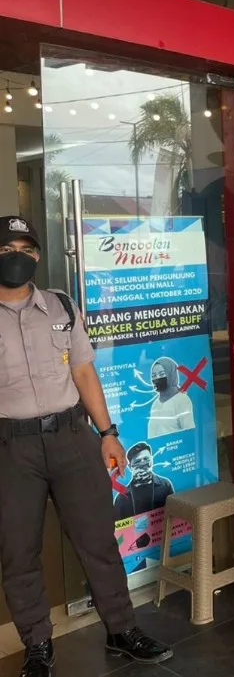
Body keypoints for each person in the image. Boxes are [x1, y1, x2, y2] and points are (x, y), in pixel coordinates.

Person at [0, 216, 172, 677]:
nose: (18, 257)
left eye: (27, 249)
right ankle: (37, 645)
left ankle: (122, 630)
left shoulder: (61, 306)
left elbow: (83, 372)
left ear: (38, 256)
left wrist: (108, 433)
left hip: (72, 438)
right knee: (18, 550)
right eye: (7, 249)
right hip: (10, 447)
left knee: (98, 539)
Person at [113, 442, 175, 520]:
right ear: (130, 467)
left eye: (146, 459)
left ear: (151, 461)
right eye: (138, 461)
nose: (143, 464)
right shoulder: (121, 498)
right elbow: (118, 525)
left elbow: (174, 514)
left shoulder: (165, 485)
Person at [147, 357, 195, 438]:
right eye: (154, 376)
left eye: (162, 374)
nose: (157, 378)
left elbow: (189, 433)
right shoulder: (155, 404)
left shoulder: (181, 400)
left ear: (171, 374)